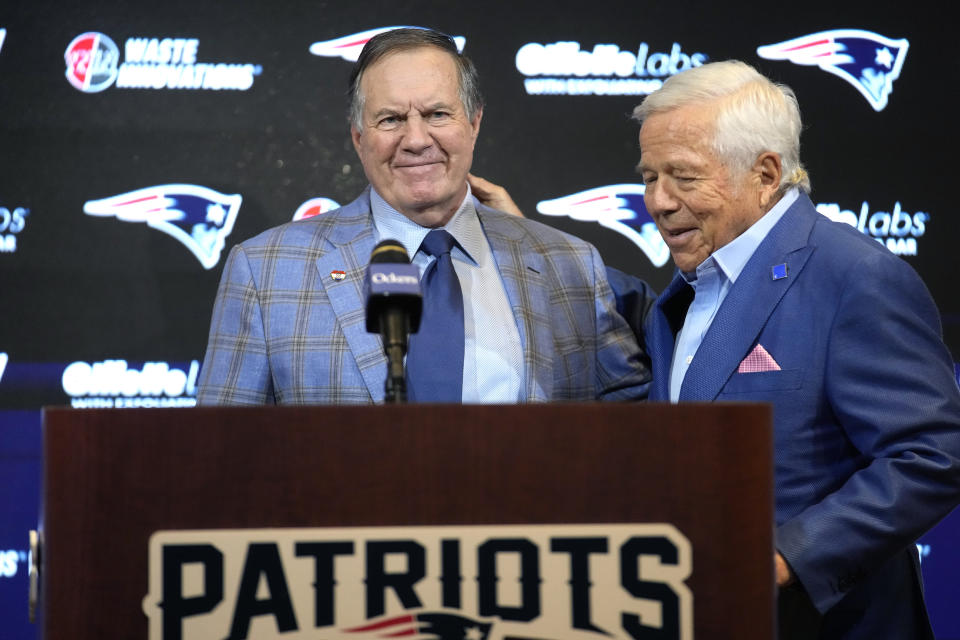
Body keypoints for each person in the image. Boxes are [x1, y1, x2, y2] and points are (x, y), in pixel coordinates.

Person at [634, 60, 960, 638]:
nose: (658, 201)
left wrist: (787, 558)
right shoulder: (686, 291)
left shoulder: (856, 277)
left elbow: (933, 454)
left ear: (765, 173)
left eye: (683, 177)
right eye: (648, 177)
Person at [197, 27, 650, 405]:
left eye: (437, 114)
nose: (416, 139)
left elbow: (632, 421)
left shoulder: (567, 261)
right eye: (391, 119)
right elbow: (223, 454)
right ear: (359, 138)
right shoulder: (265, 270)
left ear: (473, 123)